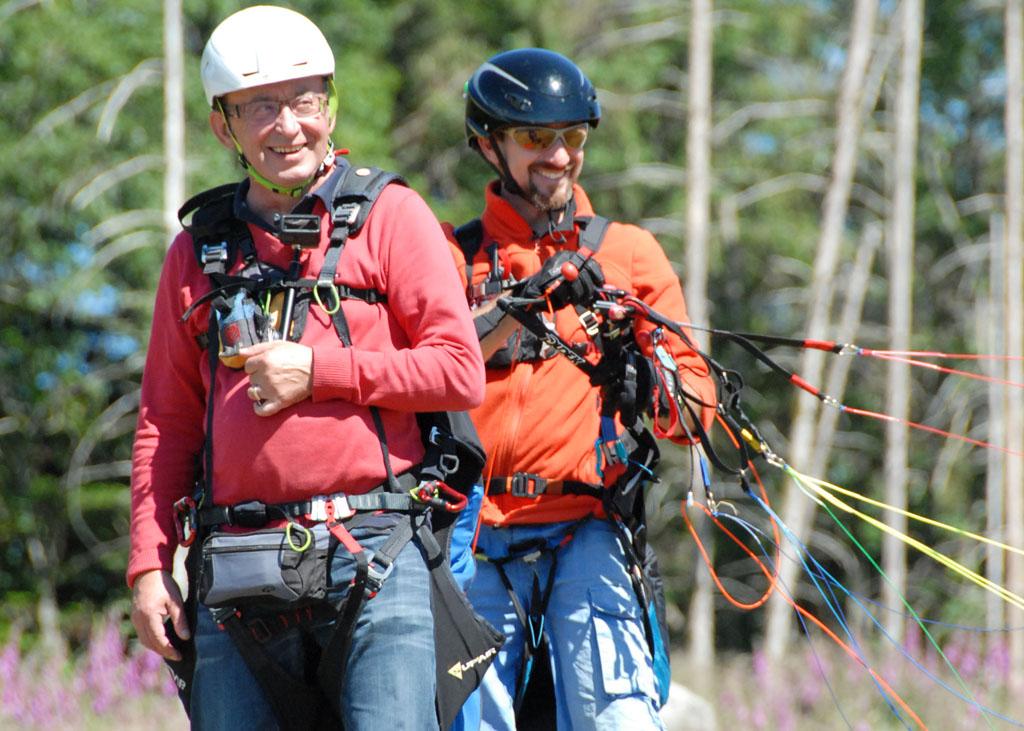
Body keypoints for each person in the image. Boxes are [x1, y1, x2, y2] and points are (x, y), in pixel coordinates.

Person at [127, 6, 488, 730]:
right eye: (261, 106)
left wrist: (319, 370)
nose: (288, 125)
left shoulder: (391, 215)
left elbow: (458, 371)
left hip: (376, 560)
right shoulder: (196, 254)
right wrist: (146, 564)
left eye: (305, 100)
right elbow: (164, 422)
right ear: (223, 127)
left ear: (331, 105)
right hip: (234, 578)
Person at [446, 48, 718, 730]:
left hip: (587, 528)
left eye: (573, 137)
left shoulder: (628, 253)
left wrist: (646, 365)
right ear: (490, 143)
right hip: (474, 537)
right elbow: (423, 369)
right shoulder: (452, 257)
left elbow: (695, 411)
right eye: (538, 139)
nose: (560, 156)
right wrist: (513, 308)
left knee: (620, 719)